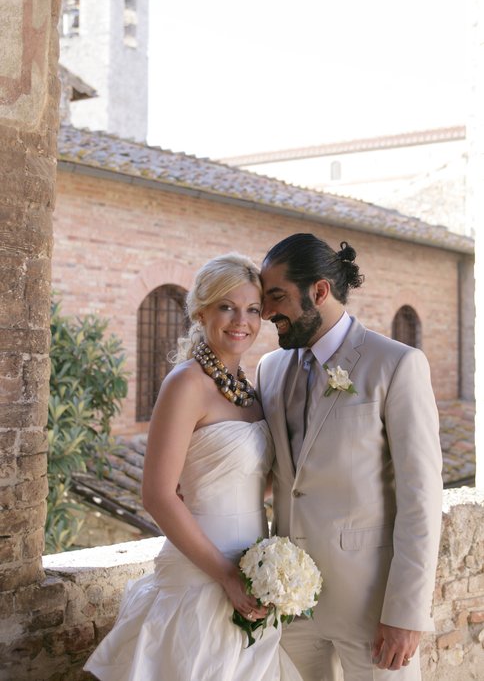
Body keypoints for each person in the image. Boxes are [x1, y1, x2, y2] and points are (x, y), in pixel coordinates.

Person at [84, 252, 302, 681]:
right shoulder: (185, 384)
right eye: (227, 307)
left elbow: (248, 483)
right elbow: (157, 495)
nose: (241, 320)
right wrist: (225, 576)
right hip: (201, 576)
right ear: (201, 311)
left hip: (254, 575)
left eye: (253, 310)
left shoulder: (253, 391)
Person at [256, 233, 443, 681]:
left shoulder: (396, 364)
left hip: (373, 608)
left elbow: (422, 497)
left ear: (319, 291)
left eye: (276, 296)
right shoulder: (269, 369)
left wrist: (407, 612)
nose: (265, 313)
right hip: (288, 606)